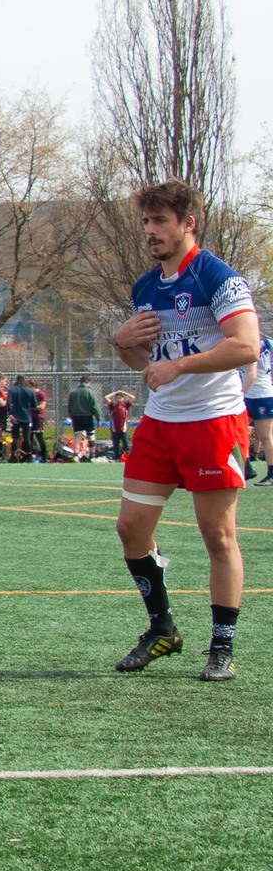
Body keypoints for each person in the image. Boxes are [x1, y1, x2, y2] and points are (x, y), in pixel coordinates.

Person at [107, 179, 258, 682]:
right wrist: (121, 342)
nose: (151, 231)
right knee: (131, 528)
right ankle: (162, 628)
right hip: (161, 422)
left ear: (187, 224)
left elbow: (245, 347)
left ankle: (222, 646)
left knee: (218, 536)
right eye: (147, 222)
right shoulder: (146, 287)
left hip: (213, 422)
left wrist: (182, 366)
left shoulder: (219, 278)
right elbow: (147, 361)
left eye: (161, 221)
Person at [241, 328, 273, 485]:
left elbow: (252, 374)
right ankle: (246, 466)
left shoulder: (251, 344)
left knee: (265, 436)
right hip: (250, 394)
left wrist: (240, 394)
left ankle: (272, 473)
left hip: (260, 394)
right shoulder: (267, 342)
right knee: (240, 430)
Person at [67, 376, 101, 461]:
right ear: (89, 382)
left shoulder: (73, 392)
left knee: (77, 436)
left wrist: (71, 415)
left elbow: (69, 406)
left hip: (76, 417)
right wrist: (98, 418)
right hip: (87, 416)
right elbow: (94, 406)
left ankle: (75, 455)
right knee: (91, 435)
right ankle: (92, 455)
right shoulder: (90, 392)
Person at [107, 391, 134, 461]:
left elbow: (133, 397)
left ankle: (127, 456)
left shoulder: (125, 405)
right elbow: (106, 397)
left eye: (120, 398)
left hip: (123, 429)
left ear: (123, 399)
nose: (119, 399)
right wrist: (116, 392)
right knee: (116, 445)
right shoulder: (113, 406)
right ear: (115, 399)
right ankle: (116, 457)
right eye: (117, 398)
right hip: (115, 430)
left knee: (126, 444)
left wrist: (124, 392)